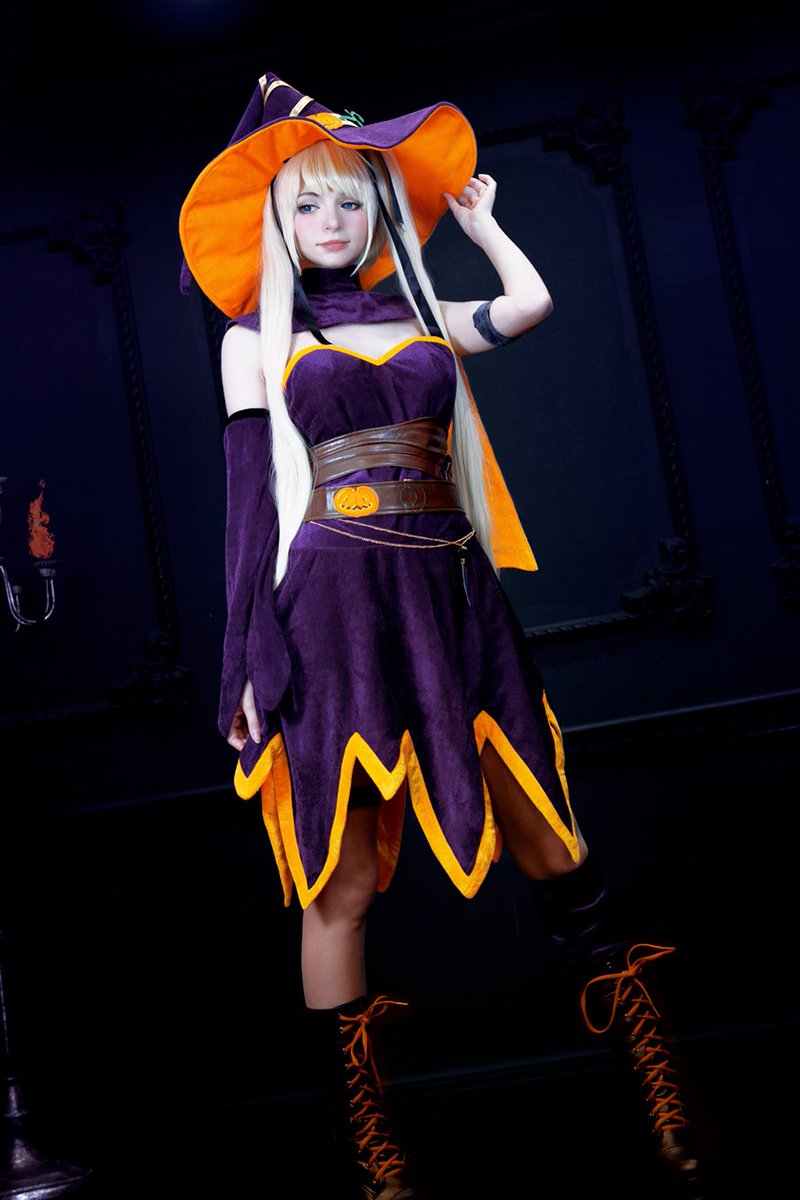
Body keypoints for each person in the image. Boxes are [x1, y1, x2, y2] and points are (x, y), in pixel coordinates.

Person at [179, 71, 707, 1200]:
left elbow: (525, 308)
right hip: (330, 612)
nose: (332, 220)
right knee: (340, 881)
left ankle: (661, 1094)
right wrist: (242, 666)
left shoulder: (417, 314)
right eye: (309, 202)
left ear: (376, 210)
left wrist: (484, 226)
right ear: (278, 217)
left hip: (453, 595)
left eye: (350, 199)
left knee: (555, 845)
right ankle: (375, 1149)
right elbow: (248, 511)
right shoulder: (251, 341)